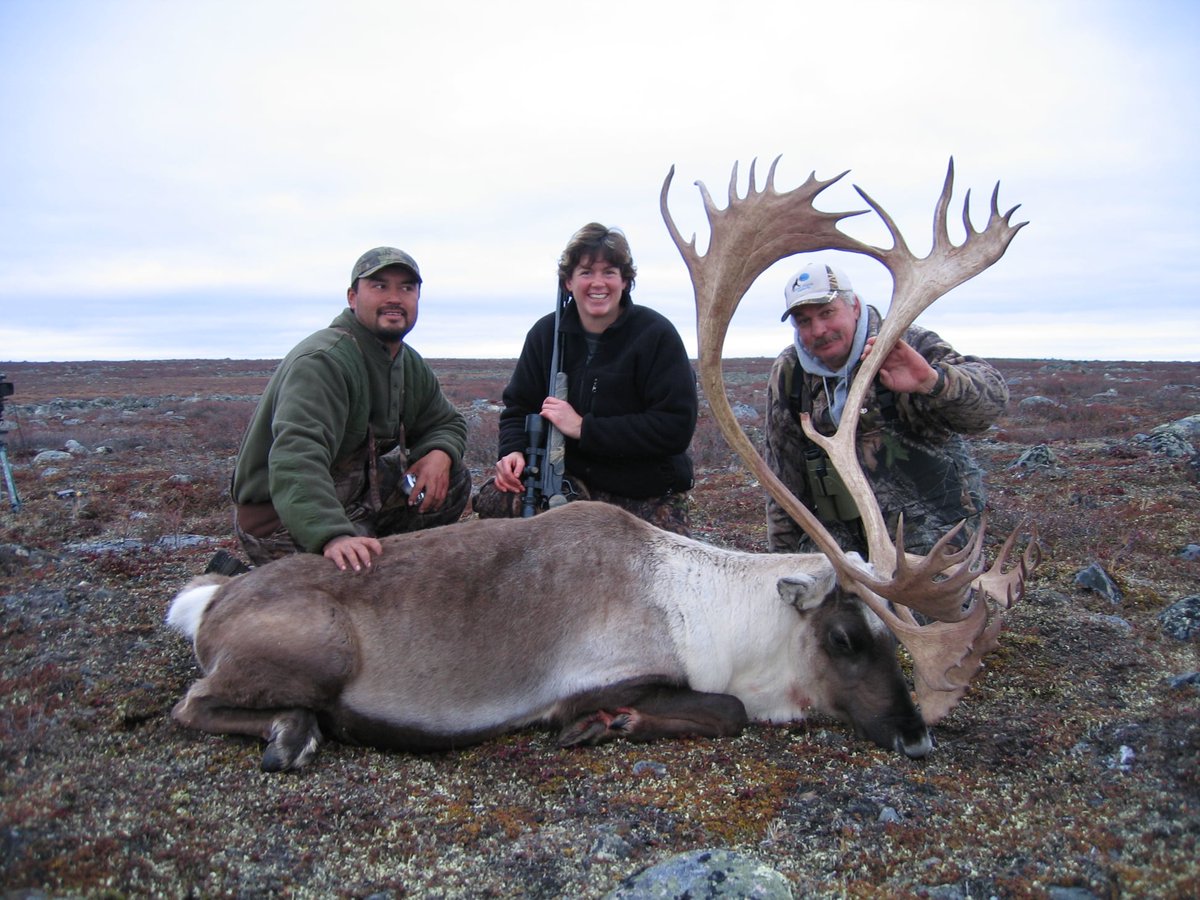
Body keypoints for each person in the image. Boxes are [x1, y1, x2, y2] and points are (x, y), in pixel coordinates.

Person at [225, 246, 470, 572]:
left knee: (451, 478)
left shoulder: (406, 362)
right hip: (280, 516)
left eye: (407, 288)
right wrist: (333, 536)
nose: (395, 297)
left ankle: (395, 566)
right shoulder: (323, 361)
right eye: (380, 286)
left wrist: (440, 453)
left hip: (353, 495)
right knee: (358, 584)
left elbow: (446, 421)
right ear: (352, 297)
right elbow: (296, 458)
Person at [764, 260, 1009, 556]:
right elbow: (783, 481)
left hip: (931, 533)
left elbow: (989, 406)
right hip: (844, 544)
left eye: (827, 313)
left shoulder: (906, 342)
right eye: (804, 321)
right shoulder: (791, 373)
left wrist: (931, 381)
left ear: (854, 306)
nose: (819, 330)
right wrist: (781, 560)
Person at [473, 223, 698, 535]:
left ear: (625, 281)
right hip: (571, 483)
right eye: (586, 272)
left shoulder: (657, 335)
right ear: (568, 281)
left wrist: (583, 428)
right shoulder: (544, 335)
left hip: (642, 489)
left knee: (663, 568)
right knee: (495, 500)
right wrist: (512, 452)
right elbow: (518, 407)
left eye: (609, 272)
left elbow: (674, 427)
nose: (598, 283)